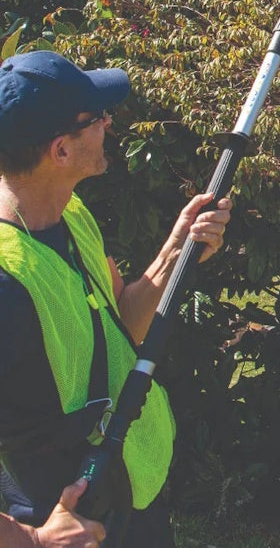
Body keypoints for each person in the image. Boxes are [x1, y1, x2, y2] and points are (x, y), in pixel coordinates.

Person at [0, 51, 232, 547]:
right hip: (60, 522)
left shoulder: (70, 214)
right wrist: (29, 539)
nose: (108, 122)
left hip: (123, 500)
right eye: (96, 118)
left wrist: (174, 254)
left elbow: (116, 326)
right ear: (61, 150)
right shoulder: (5, 280)